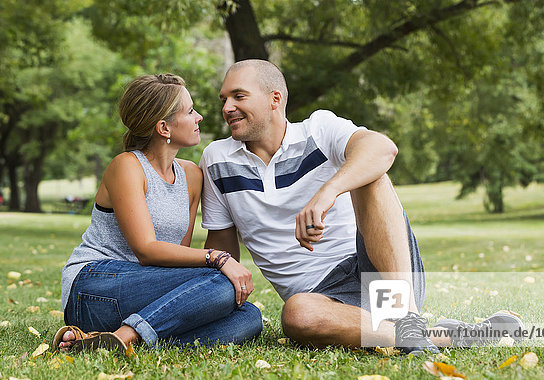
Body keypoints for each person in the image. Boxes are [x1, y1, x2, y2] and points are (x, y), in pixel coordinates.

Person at [200, 60, 523, 354]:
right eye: (223, 99)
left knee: (371, 173)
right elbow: (222, 251)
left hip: (380, 271)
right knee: (298, 314)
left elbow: (382, 148)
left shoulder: (319, 128)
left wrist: (326, 193)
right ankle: (436, 335)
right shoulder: (216, 159)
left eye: (238, 96)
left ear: (275, 99)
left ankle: (405, 318)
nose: (227, 108)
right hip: (319, 299)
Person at [54, 74, 263, 352]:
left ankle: (103, 340)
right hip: (93, 287)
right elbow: (147, 250)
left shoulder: (191, 175)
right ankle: (128, 336)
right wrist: (218, 258)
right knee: (220, 283)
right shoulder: (127, 166)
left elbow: (177, 258)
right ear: (164, 127)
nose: (199, 117)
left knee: (249, 317)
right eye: (190, 111)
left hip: (144, 291)